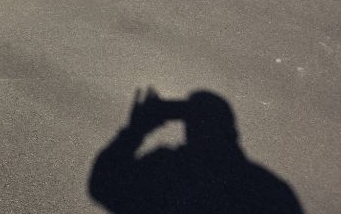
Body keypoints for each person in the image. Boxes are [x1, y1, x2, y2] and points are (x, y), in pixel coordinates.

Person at [89, 88, 303, 214]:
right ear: (231, 131)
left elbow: (103, 185)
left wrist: (137, 129)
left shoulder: (165, 171)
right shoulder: (267, 190)